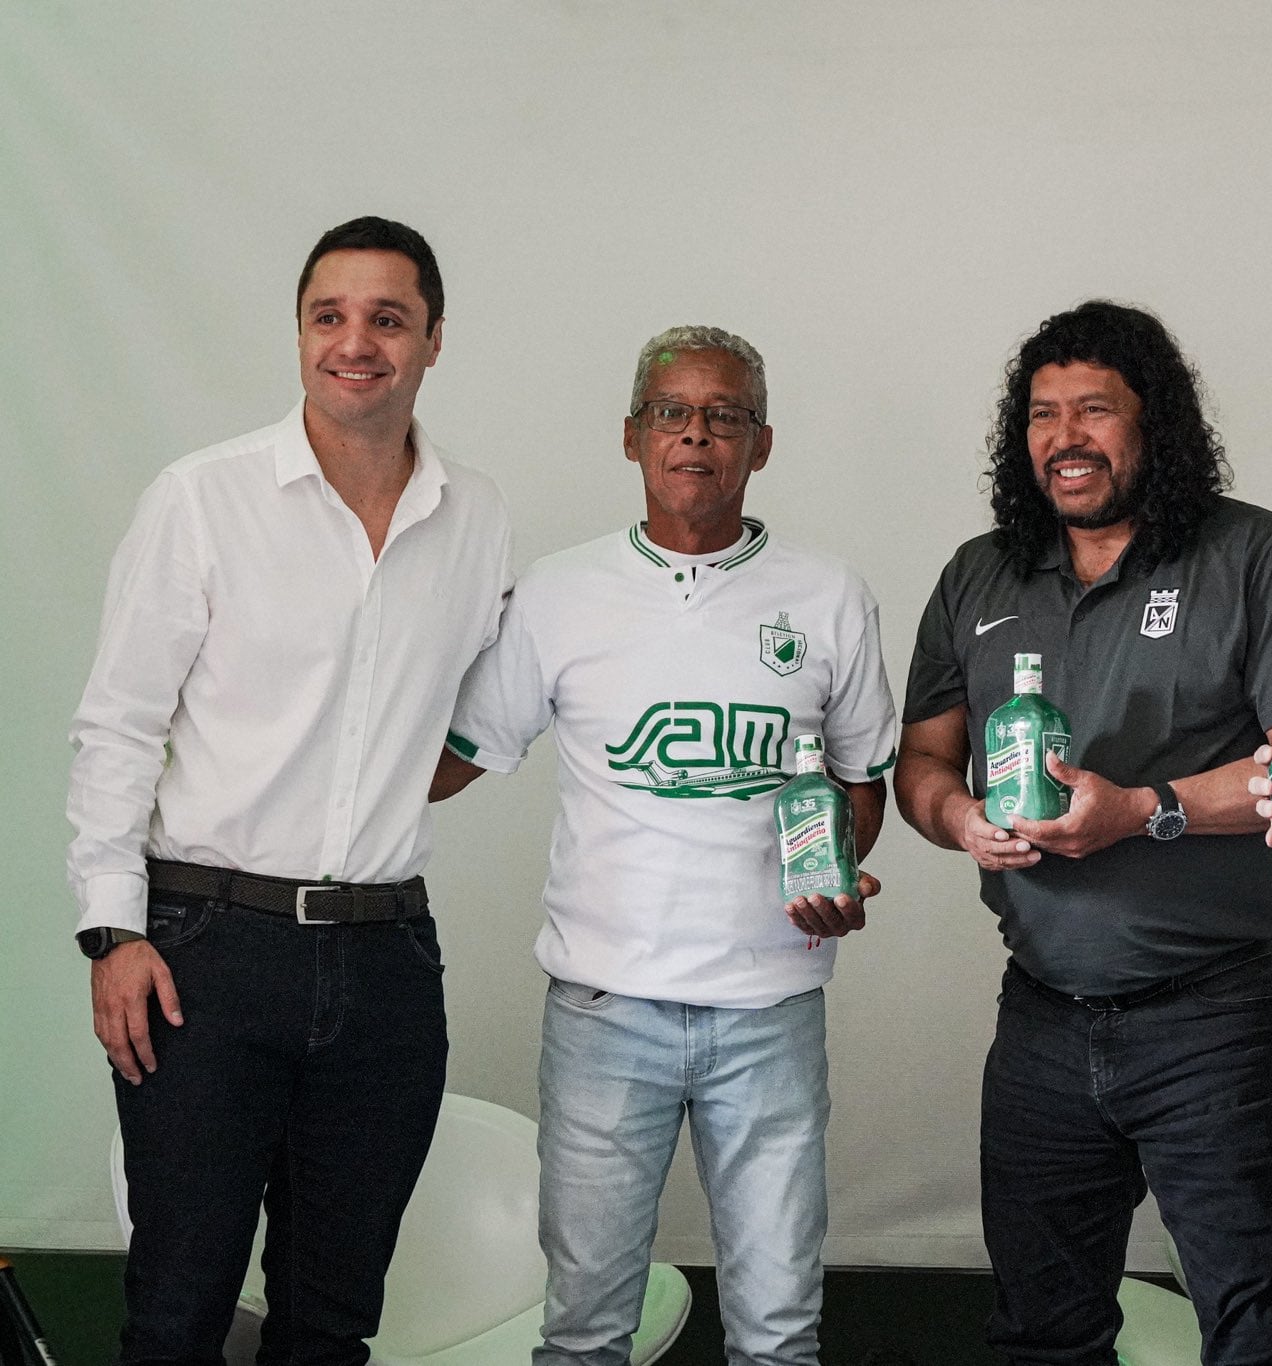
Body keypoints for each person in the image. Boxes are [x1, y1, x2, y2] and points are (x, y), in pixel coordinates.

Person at [66, 216, 512, 1363]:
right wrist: (112, 930)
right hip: (207, 952)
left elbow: (468, 718)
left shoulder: (477, 517)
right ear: (301, 332)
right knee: (181, 1305)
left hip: (386, 964)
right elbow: (119, 724)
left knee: (332, 1315)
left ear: (433, 339)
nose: (355, 341)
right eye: (330, 315)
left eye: (387, 317)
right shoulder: (202, 500)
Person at [431, 325, 896, 1366]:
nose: (697, 435)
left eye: (723, 415)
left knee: (778, 1333)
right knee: (587, 1329)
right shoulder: (558, 590)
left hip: (768, 1009)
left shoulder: (827, 595)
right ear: (634, 436)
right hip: (605, 1012)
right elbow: (456, 757)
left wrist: (837, 867)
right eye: (672, 414)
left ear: (760, 443)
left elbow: (861, 788)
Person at [896, 300, 1272, 1365]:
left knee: (1253, 1321)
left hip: (1218, 1016)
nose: (1065, 436)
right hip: (1042, 1018)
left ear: (1156, 425)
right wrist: (960, 819)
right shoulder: (982, 573)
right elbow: (920, 763)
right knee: (1040, 1327)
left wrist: (1142, 811)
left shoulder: (1257, 557)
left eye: (1094, 408)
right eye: (1043, 414)